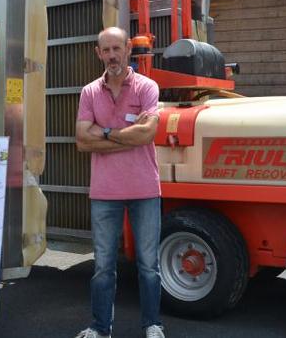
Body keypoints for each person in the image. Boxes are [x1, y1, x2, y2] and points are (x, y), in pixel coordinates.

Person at [74, 27, 165, 338]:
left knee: (148, 265)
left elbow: (148, 134)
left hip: (144, 189)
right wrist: (127, 137)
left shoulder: (147, 87)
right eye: (106, 50)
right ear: (99, 53)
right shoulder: (89, 92)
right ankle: (100, 328)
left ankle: (153, 325)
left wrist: (106, 131)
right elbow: (82, 142)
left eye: (117, 48)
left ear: (128, 49)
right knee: (103, 266)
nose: (112, 55)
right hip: (105, 191)